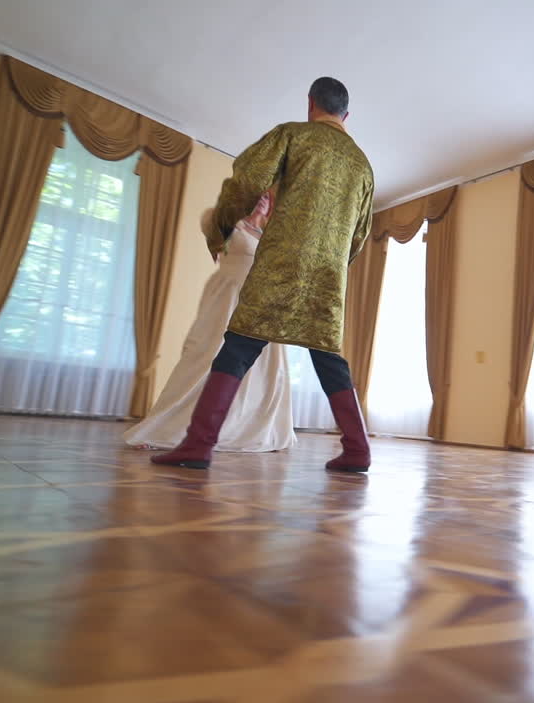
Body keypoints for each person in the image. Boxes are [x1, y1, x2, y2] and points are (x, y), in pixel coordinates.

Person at [151, 76, 375, 472]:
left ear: (311, 104)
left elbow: (248, 181)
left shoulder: (292, 135)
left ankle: (198, 444)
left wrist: (222, 225)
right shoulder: (363, 166)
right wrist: (333, 267)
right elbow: (359, 234)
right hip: (327, 276)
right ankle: (358, 450)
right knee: (328, 358)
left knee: (239, 347)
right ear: (346, 115)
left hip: (280, 263)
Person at [124, 193, 295, 453]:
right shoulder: (227, 224)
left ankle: (252, 429)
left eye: (267, 196)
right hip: (228, 299)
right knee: (206, 358)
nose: (263, 199)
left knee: (262, 370)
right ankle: (165, 430)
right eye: (256, 193)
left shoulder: (271, 234)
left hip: (261, 306)